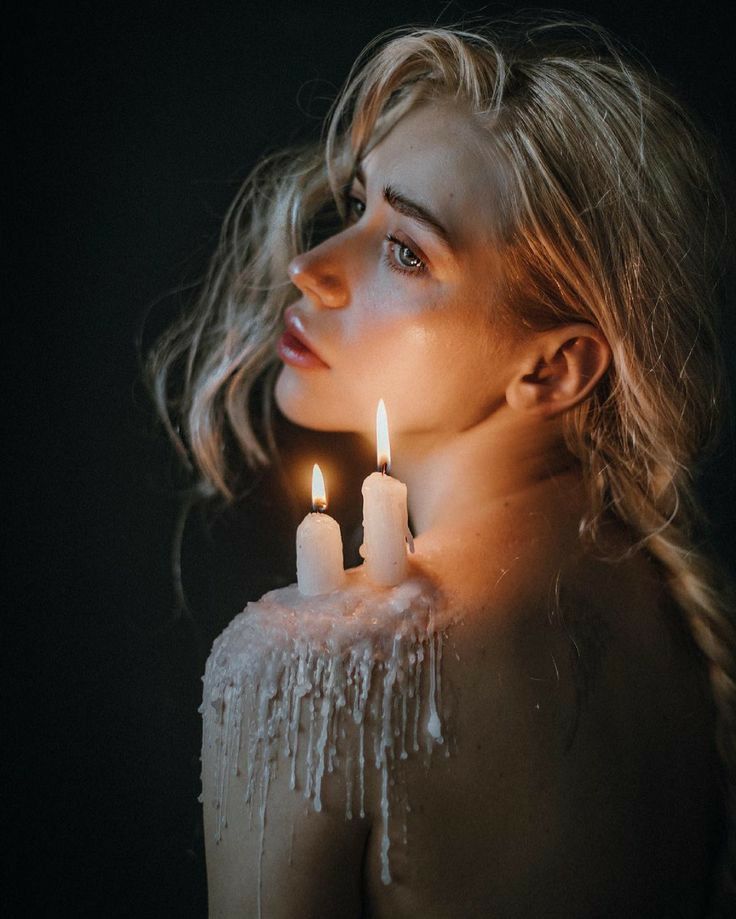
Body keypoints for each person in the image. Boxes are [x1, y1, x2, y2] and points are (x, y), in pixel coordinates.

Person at [146, 12, 736, 917]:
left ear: (551, 366)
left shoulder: (310, 671)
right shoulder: (666, 615)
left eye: (406, 250)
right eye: (358, 205)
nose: (309, 266)